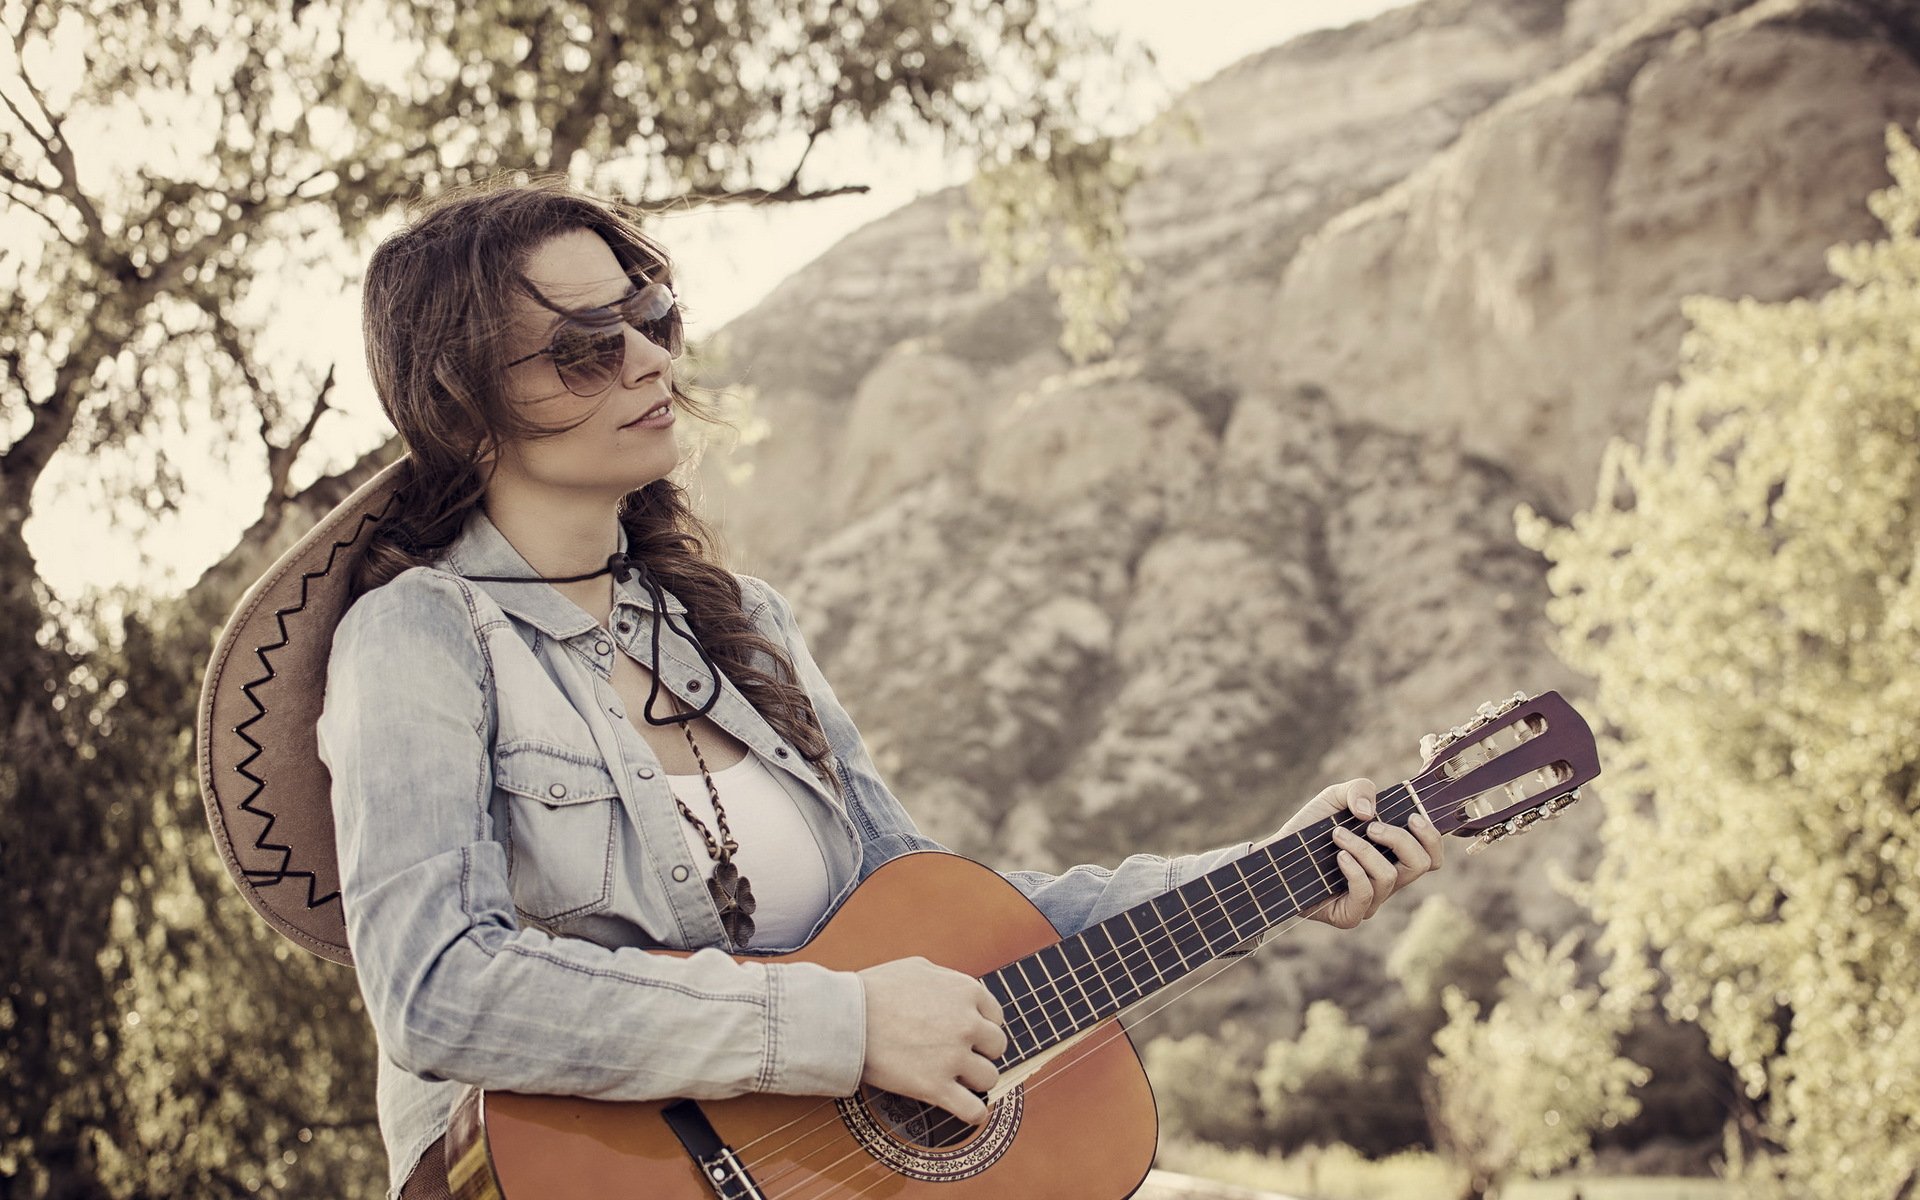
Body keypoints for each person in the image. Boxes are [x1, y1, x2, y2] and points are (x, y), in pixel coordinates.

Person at [311, 175, 1445, 1200]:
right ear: (463, 407)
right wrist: (839, 1025)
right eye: (585, 349)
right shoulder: (418, 637)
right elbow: (437, 986)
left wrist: (1272, 874)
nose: (652, 361)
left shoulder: (744, 626)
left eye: (651, 320)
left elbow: (954, 921)